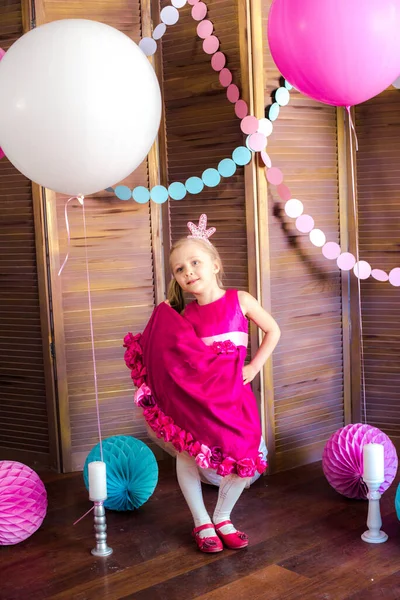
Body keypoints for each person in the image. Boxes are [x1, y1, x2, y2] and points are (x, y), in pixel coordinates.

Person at [124, 214, 280, 553]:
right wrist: (163, 315)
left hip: (233, 398)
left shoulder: (241, 300)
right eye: (179, 269)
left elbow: (274, 330)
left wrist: (254, 365)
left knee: (246, 453)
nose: (188, 271)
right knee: (187, 452)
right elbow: (167, 356)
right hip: (195, 400)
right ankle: (201, 521)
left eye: (194, 262)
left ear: (215, 264)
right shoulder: (183, 316)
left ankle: (222, 516)